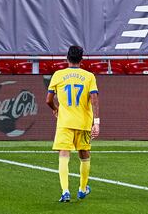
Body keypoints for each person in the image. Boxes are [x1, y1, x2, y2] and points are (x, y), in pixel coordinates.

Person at [46, 45, 100, 202]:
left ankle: (65, 191)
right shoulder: (89, 76)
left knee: (64, 154)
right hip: (83, 123)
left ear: (67, 58)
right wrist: (96, 122)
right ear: (81, 59)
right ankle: (82, 189)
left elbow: (48, 100)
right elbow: (94, 99)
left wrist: (55, 109)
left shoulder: (58, 75)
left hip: (65, 122)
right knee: (84, 154)